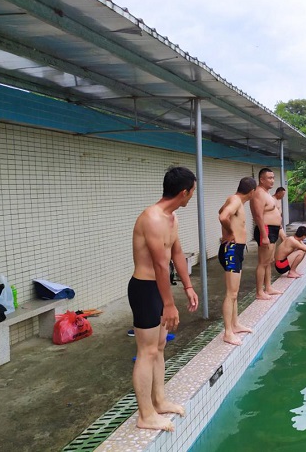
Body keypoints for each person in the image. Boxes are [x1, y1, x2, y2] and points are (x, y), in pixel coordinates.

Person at [128, 166, 199, 432]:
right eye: (192, 191)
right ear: (184, 192)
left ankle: (159, 401)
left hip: (158, 287)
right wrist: (169, 305)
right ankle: (145, 415)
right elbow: (160, 264)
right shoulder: (153, 218)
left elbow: (176, 253)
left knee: (158, 347)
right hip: (145, 290)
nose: (192, 195)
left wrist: (188, 286)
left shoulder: (171, 218)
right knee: (146, 351)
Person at [218, 177, 257, 346]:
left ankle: (235, 324)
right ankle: (228, 332)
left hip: (235, 250)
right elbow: (223, 216)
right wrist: (230, 233)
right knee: (231, 293)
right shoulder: (235, 200)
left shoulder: (233, 200)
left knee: (234, 291)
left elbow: (221, 211)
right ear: (252, 192)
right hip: (232, 250)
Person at [250, 168, 284, 300]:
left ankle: (268, 287)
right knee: (263, 262)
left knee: (269, 261)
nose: (272, 180)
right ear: (261, 179)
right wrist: (264, 235)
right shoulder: (258, 193)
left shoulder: (267, 193)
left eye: (273, 177)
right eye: (269, 178)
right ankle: (259, 292)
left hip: (272, 230)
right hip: (266, 230)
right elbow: (258, 216)